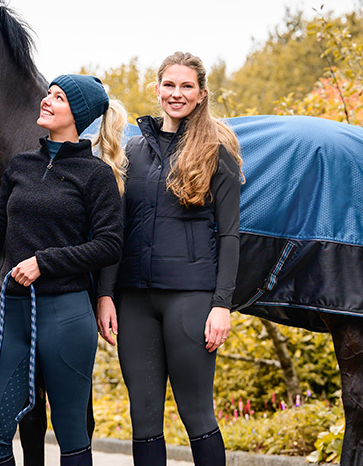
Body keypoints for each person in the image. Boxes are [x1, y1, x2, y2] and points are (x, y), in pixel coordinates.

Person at [0, 74, 126, 466]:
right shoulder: (21, 165)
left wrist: (45, 262)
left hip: (68, 314)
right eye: (48, 94)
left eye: (58, 98)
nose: (46, 101)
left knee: (72, 432)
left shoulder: (96, 175)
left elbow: (109, 245)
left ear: (79, 114)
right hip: (14, 313)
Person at [96, 52, 242, 466]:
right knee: (142, 419)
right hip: (135, 301)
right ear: (157, 89)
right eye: (169, 85)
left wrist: (222, 305)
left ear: (200, 95)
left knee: (197, 414)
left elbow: (230, 235)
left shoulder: (217, 153)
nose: (176, 94)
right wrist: (106, 294)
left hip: (191, 300)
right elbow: (115, 230)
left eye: (186, 86)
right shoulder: (132, 153)